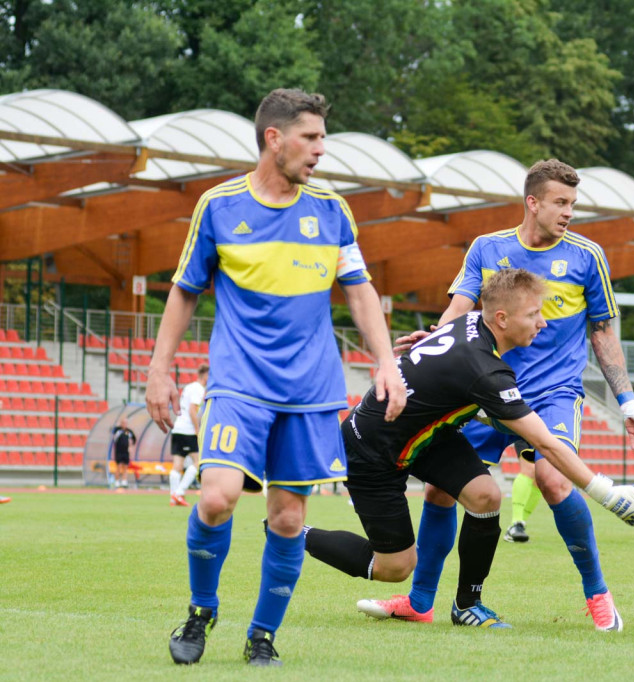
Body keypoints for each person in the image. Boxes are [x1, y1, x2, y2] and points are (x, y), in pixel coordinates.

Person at [144, 88, 405, 667]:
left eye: (321, 139)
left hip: (311, 390)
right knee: (216, 497)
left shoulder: (332, 210)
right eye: (310, 138)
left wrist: (385, 361)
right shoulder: (219, 205)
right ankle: (202, 610)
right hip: (239, 380)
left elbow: (360, 293)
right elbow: (185, 290)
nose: (320, 150)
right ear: (274, 138)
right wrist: (159, 369)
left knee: (289, 518)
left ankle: (262, 634)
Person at [359, 159, 634, 632]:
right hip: (481, 393)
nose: (569, 212)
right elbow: (460, 310)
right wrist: (435, 340)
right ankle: (420, 603)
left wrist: (627, 401)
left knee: (554, 479)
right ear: (532, 202)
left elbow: (602, 331)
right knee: (440, 488)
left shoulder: (587, 256)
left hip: (550, 392)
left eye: (573, 204)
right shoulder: (487, 248)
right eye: (561, 203)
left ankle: (598, 595)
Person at [303, 269, 634, 628]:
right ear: (502, 319)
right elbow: (544, 443)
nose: (542, 323)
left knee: (486, 496)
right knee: (395, 567)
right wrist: (608, 495)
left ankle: (467, 605)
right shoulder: (485, 369)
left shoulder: (475, 324)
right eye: (533, 315)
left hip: (425, 436)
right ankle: (292, 533)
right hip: (371, 452)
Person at [168, 363, 209, 507]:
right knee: (197, 463)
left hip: (178, 428)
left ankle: (173, 498)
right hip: (188, 430)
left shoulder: (189, 387)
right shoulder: (198, 389)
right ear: (206, 375)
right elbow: (193, 410)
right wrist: (197, 429)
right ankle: (179, 493)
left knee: (177, 465)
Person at [503, 440, 543, 543]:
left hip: (546, 434)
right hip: (525, 432)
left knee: (540, 478)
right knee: (529, 469)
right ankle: (517, 522)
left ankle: (516, 527)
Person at [111, 417, 137, 488]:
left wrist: (131, 446)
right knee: (118, 466)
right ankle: (116, 481)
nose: (124, 424)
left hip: (126, 451)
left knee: (125, 466)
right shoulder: (117, 430)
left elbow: (134, 439)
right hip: (119, 451)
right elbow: (112, 433)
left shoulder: (129, 432)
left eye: (126, 423)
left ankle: (124, 481)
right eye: (123, 423)